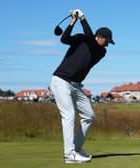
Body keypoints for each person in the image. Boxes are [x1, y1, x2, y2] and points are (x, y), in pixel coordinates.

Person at [50, 9, 115, 163]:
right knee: (69, 115)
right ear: (99, 37)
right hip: (61, 81)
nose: (108, 44)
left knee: (89, 115)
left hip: (76, 86)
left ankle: (77, 148)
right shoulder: (81, 38)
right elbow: (64, 39)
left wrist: (83, 18)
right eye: (107, 40)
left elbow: (90, 39)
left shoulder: (100, 51)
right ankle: (69, 155)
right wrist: (73, 21)